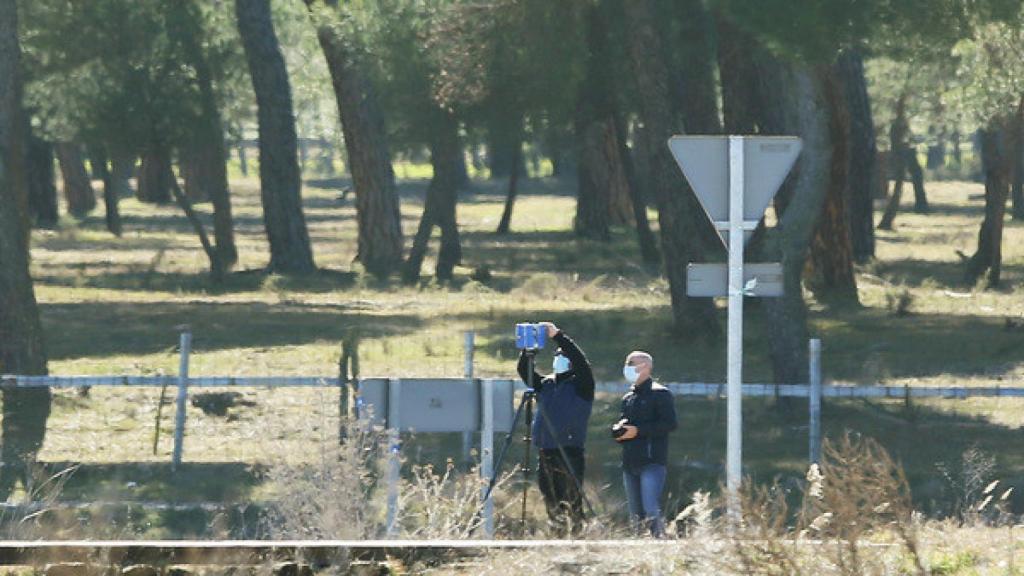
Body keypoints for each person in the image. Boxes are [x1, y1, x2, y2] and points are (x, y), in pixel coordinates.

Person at [516, 322, 594, 534]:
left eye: (562, 356)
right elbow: (524, 371)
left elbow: (581, 362)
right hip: (546, 451)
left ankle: (577, 536)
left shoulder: (582, 385)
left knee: (571, 499)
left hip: (569, 451)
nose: (558, 359)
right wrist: (529, 350)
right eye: (556, 355)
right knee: (551, 499)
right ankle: (557, 535)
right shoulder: (548, 384)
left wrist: (558, 336)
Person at [614, 350, 677, 537]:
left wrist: (639, 431)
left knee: (650, 508)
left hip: (652, 461)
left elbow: (669, 423)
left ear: (647, 367)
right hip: (630, 461)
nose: (629, 367)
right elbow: (625, 422)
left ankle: (659, 542)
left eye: (633, 363)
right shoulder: (628, 397)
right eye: (628, 363)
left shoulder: (660, 394)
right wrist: (620, 431)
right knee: (635, 513)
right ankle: (639, 546)